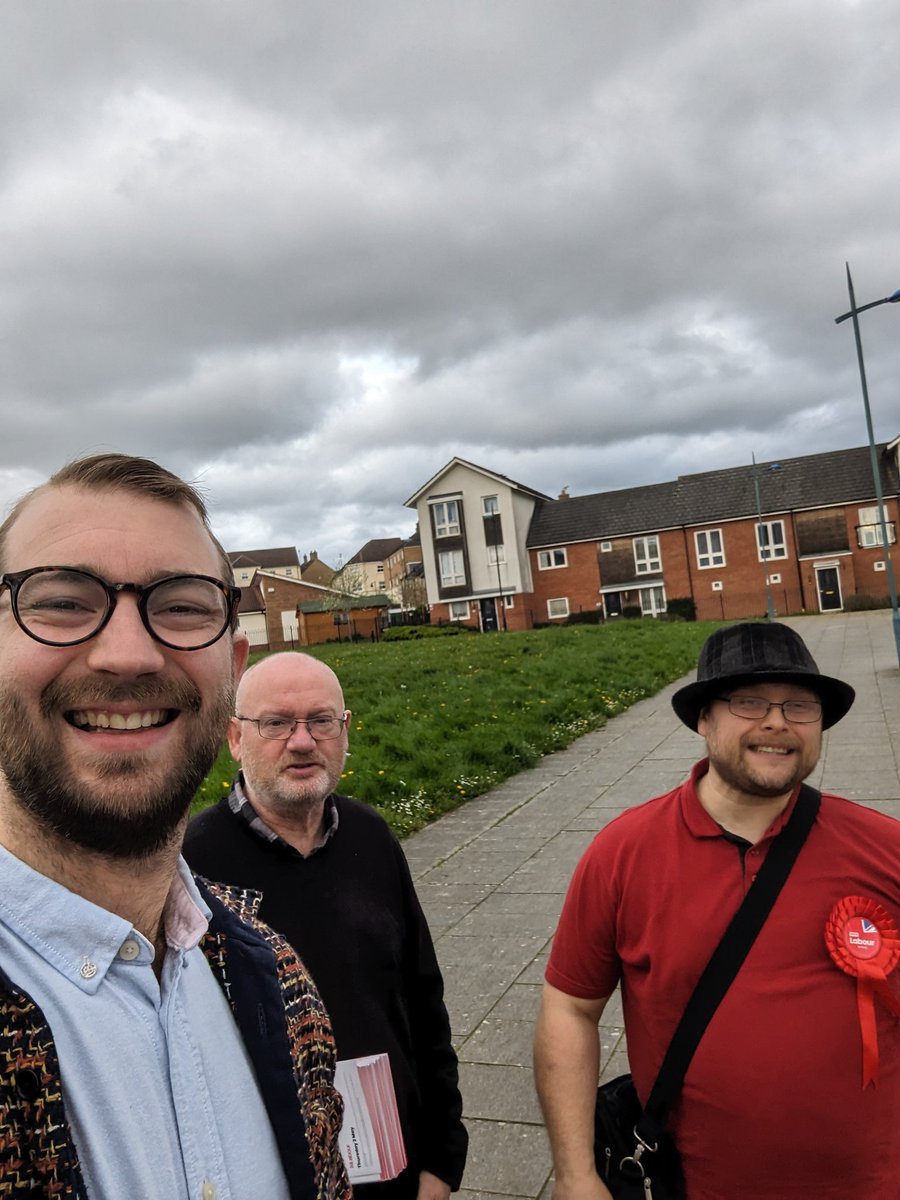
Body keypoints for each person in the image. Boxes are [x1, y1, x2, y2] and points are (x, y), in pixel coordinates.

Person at [0, 453, 350, 1200]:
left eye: (183, 606)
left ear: (231, 664)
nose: (127, 654)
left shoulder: (277, 977)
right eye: (60, 601)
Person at [533, 620, 900, 1200]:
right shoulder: (623, 854)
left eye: (800, 706)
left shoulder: (885, 848)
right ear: (703, 719)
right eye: (749, 701)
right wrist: (576, 1174)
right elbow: (570, 1011)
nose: (777, 722)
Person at [184, 651, 468, 1200]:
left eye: (321, 721)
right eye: (275, 723)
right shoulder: (192, 868)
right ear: (235, 738)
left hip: (393, 1162)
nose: (302, 741)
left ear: (345, 729)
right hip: (271, 1174)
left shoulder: (371, 838)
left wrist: (442, 1157)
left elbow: (423, 999)